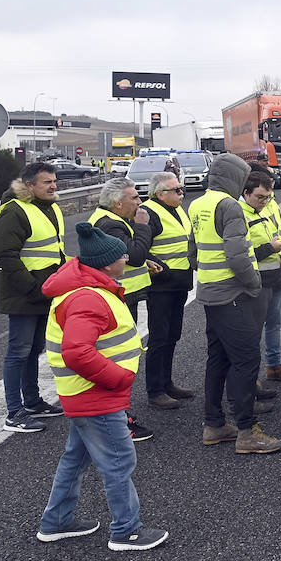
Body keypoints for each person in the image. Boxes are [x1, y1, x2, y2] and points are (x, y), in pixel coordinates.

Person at [35, 222, 168, 552]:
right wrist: (118, 379)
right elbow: (77, 351)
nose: (127, 259)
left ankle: (57, 522)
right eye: (123, 256)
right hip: (95, 394)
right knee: (119, 461)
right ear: (108, 263)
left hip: (84, 393)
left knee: (76, 459)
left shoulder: (88, 289)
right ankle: (126, 530)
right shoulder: (89, 299)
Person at [192, 154, 281, 454]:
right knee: (245, 362)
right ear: (232, 177)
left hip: (209, 292)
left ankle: (214, 424)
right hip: (234, 294)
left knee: (217, 359)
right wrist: (253, 282)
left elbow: (193, 252)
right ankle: (247, 432)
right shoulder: (229, 205)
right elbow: (237, 255)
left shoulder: (197, 204)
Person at [0, 162, 66, 433]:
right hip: (24, 294)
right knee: (18, 352)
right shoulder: (15, 211)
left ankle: (33, 402)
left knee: (34, 351)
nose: (53, 186)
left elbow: (55, 252)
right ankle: (14, 412)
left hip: (45, 293)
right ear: (29, 185)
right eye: (47, 182)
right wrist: (33, 288)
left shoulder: (51, 208)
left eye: (54, 181)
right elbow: (4, 256)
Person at [88, 177, 160, 441]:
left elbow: (128, 256)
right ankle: (118, 420)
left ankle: (115, 415)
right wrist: (142, 227)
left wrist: (146, 261)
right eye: (134, 198)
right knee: (117, 359)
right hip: (117, 299)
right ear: (118, 203)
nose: (140, 203)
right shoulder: (110, 224)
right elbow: (133, 255)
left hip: (121, 296)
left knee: (118, 357)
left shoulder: (112, 220)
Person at [140, 172, 196, 411]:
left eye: (181, 189)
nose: (181, 193)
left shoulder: (176, 208)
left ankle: (167, 383)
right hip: (161, 286)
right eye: (176, 190)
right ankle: (155, 390)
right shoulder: (148, 212)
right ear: (160, 193)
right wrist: (162, 271)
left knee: (173, 335)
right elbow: (142, 247)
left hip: (179, 283)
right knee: (159, 338)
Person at [241, 170, 281, 391]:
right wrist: (271, 249)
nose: (265, 201)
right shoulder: (239, 214)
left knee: (275, 323)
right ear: (246, 193)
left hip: (276, 273)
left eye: (268, 197)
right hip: (256, 279)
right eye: (260, 197)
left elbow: (273, 238)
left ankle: (274, 366)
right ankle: (251, 376)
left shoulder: (268, 206)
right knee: (253, 329)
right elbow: (241, 255)